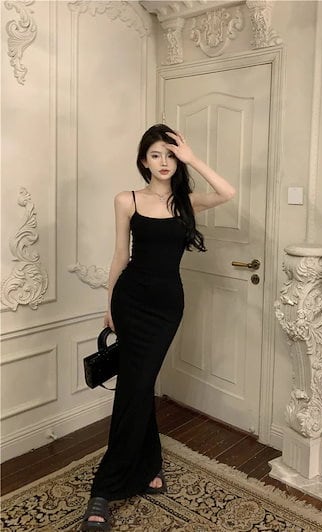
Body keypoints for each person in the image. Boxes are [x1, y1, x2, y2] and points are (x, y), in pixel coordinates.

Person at [80, 123, 235, 531]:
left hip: (166, 308)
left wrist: (192, 158)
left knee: (138, 384)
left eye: (170, 155)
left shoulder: (187, 202)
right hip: (130, 301)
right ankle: (106, 488)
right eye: (155, 155)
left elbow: (227, 192)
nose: (164, 162)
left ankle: (138, 467)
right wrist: (109, 305)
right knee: (135, 387)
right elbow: (120, 255)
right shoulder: (127, 200)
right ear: (143, 160)